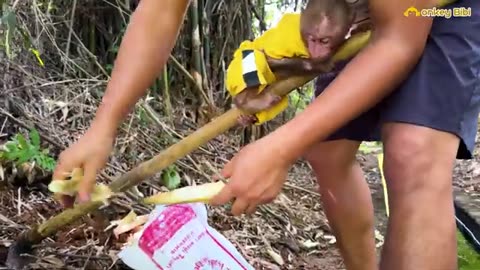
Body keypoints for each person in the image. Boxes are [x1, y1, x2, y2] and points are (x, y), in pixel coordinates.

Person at [52, 0, 480, 269]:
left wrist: (279, 148)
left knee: (413, 153)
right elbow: (162, 8)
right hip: (355, 13)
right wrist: (102, 127)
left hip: (440, 8)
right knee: (327, 152)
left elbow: (400, 40)